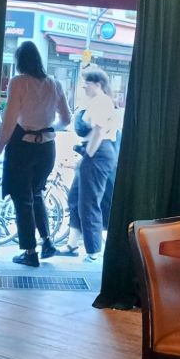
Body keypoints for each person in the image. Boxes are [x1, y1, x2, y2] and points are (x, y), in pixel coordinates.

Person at [0, 42, 71, 267]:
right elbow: (66, 119)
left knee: (23, 199)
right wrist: (48, 129)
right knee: (36, 194)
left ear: (19, 61)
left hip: (23, 147)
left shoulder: (19, 82)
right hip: (47, 149)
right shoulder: (54, 84)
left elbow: (9, 121)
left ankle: (29, 252)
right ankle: (47, 242)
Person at [60, 67, 118, 263]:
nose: (84, 86)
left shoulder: (102, 101)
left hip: (97, 153)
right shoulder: (96, 101)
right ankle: (72, 244)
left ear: (98, 84)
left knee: (89, 202)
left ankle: (93, 251)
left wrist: (89, 154)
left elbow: (99, 130)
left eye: (87, 82)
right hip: (95, 152)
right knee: (75, 197)